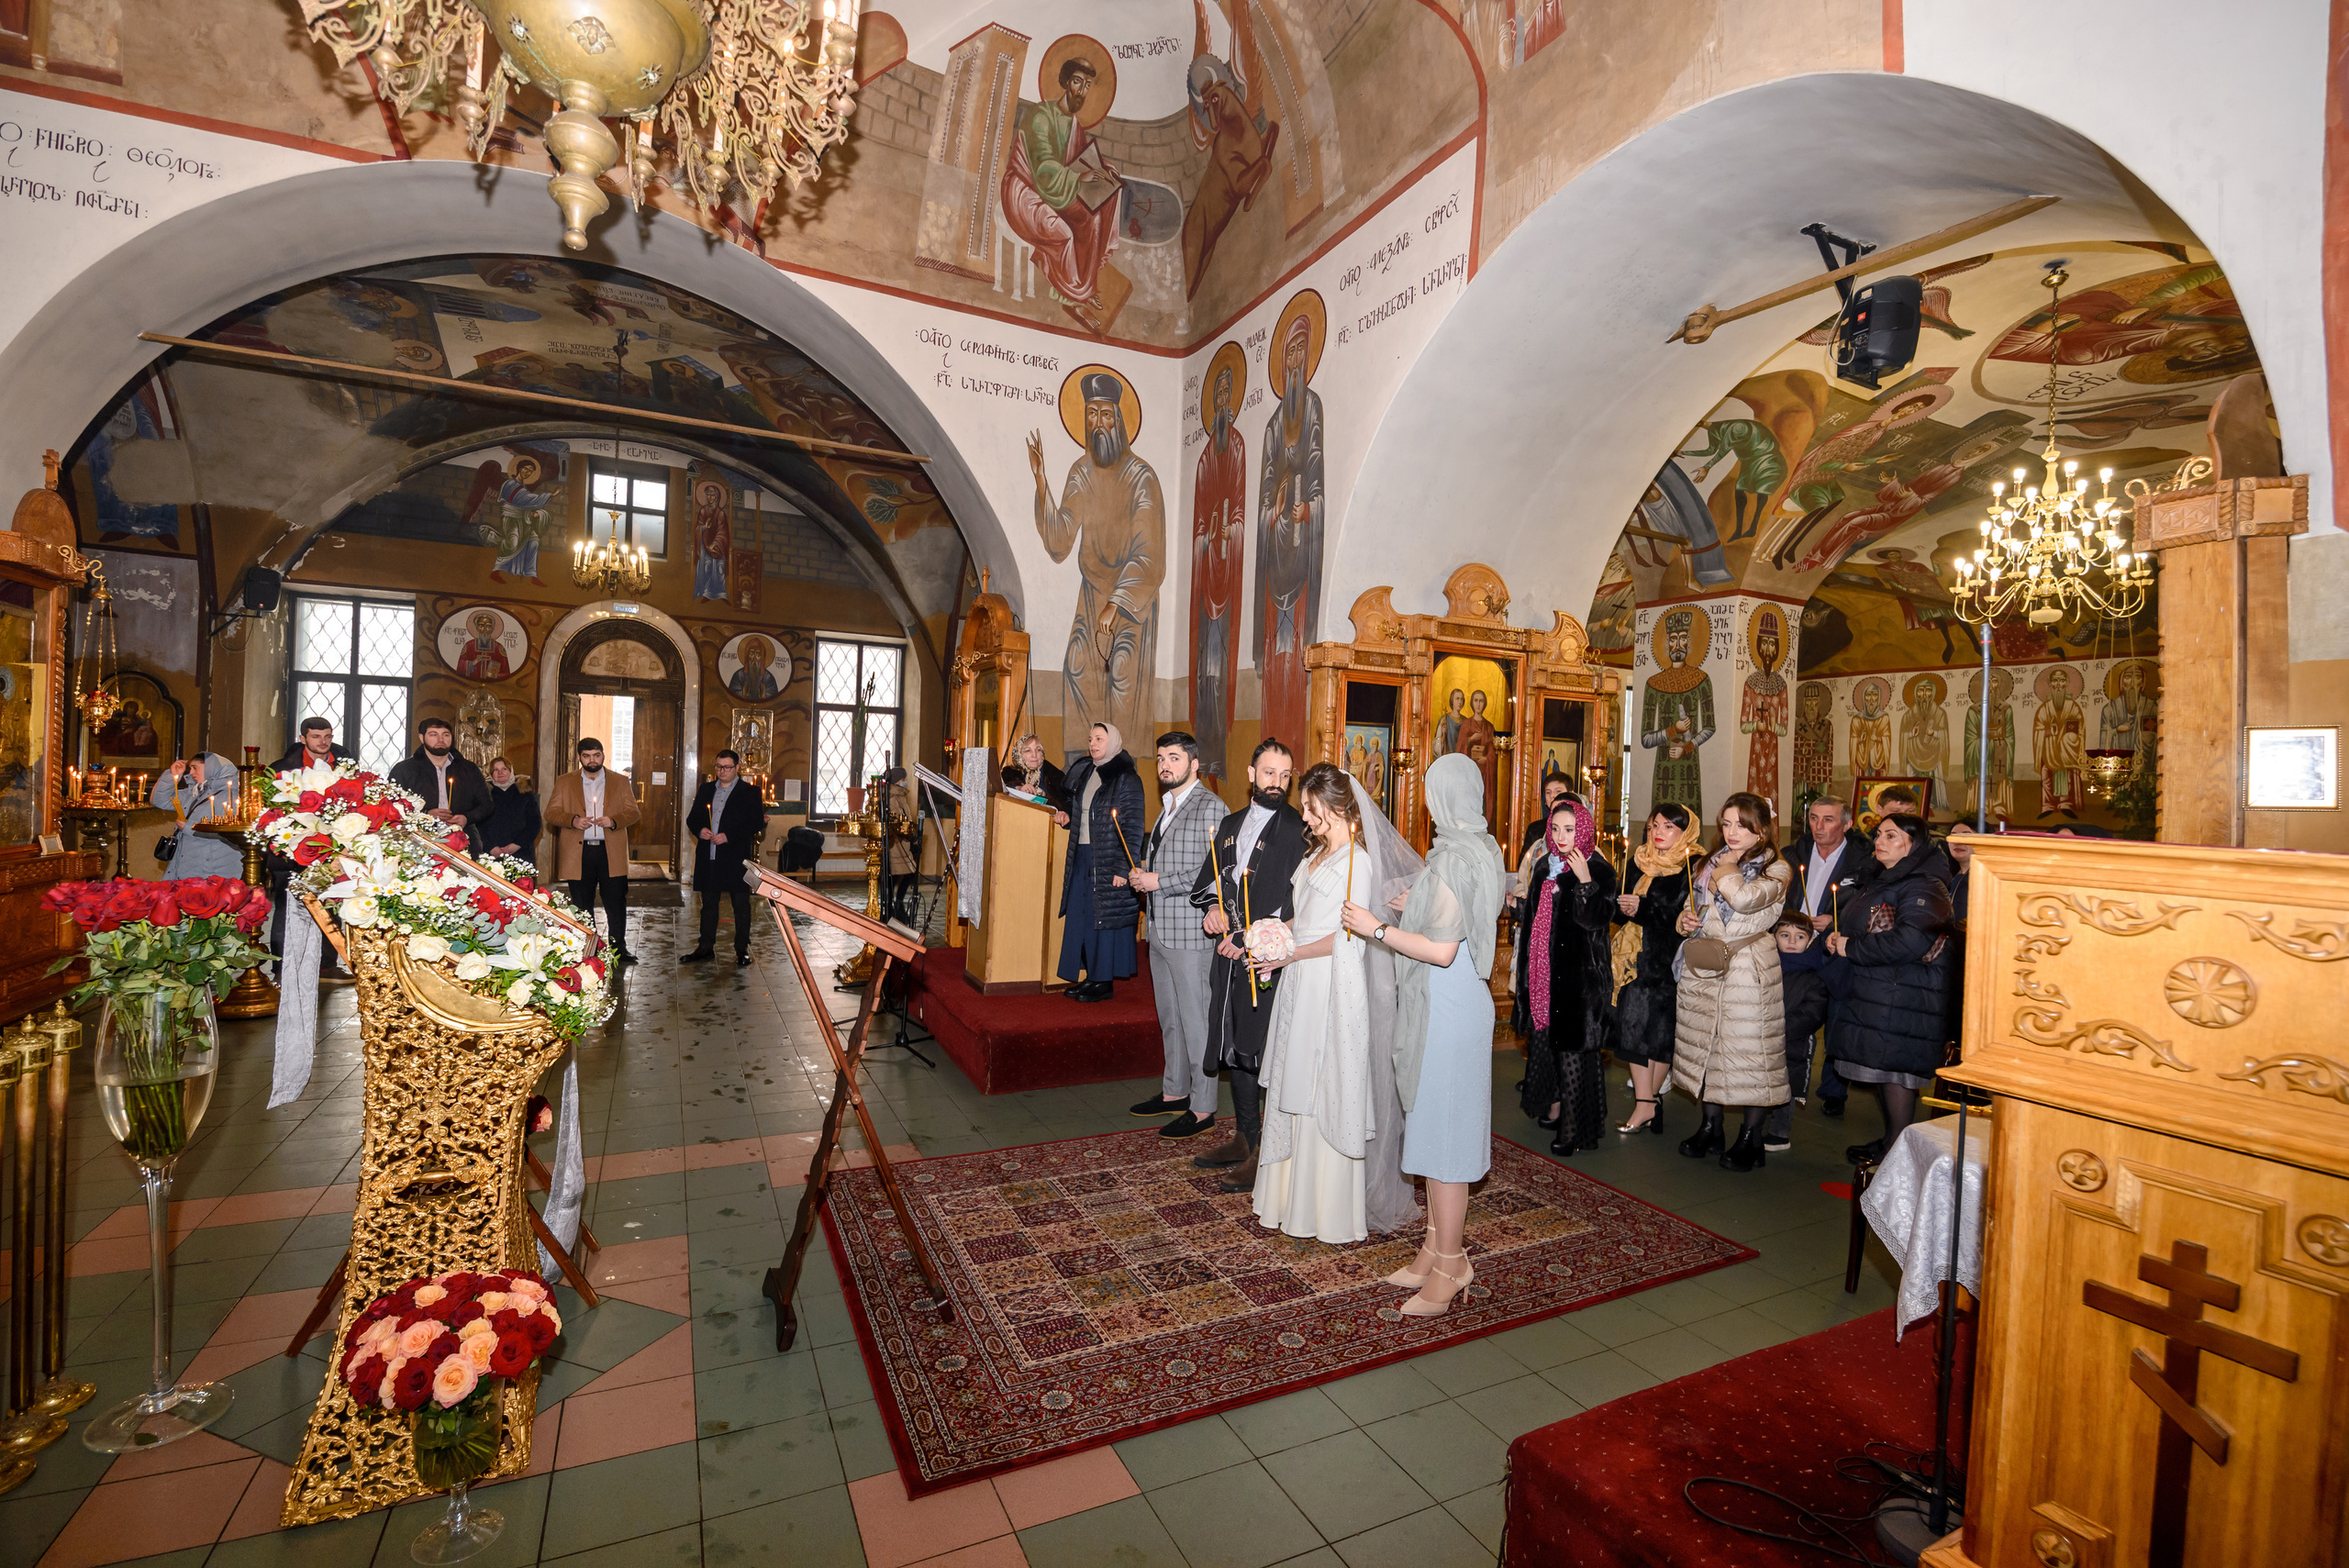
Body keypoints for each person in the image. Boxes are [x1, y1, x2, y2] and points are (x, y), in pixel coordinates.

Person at [1342, 752, 1502, 1317]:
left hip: (1448, 1010)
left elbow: (1442, 949)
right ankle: (1433, 1248)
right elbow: (1460, 914)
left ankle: (1453, 1264)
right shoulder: (1479, 846)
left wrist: (1378, 929)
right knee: (1434, 1133)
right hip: (1456, 1003)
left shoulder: (1455, 858)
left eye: (1432, 792)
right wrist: (1418, 905)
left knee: (1447, 1144)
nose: (1429, 803)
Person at [1247, 762, 1376, 1243]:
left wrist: (1291, 953)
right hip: (1301, 979)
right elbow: (1303, 918)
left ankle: (1322, 1208)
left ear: (1336, 806)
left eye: (1310, 807)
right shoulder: (1318, 853)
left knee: (1322, 1084)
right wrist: (1272, 935)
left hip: (1330, 984)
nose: (1303, 815)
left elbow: (1349, 936)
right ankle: (1287, 1199)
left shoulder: (1357, 863)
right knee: (1294, 1078)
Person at [1188, 740, 1308, 1192]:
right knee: (1235, 1044)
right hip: (1228, 957)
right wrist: (1212, 912)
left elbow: (1296, 904)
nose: (1277, 782)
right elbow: (1211, 883)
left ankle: (1266, 1151)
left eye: (1285, 775)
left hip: (1268, 960)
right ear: (1251, 774)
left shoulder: (1298, 830)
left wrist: (1251, 938)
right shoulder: (1229, 825)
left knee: (1262, 1048)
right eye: (1269, 773)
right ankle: (1244, 1136)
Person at [1825, 813, 1958, 1165]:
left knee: (1897, 1074)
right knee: (1887, 1072)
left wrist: (1851, 947)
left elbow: (1910, 941)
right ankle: (1890, 1142)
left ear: (1913, 845)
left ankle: (1899, 1155)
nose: (1879, 841)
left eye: (1891, 836)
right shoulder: (1886, 878)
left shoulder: (1925, 886)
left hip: (1905, 996)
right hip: (1883, 993)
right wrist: (1838, 938)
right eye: (1879, 834)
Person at [1672, 792, 1795, 1173]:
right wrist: (1684, 920)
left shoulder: (1777, 869)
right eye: (1726, 823)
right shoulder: (1710, 863)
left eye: (1741, 824)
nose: (1731, 831)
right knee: (1708, 1047)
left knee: (1750, 1052)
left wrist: (1725, 870)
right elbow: (1694, 905)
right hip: (1707, 965)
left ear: (1761, 830)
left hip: (1748, 968)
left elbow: (1743, 899)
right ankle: (1711, 1127)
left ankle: (1751, 1138)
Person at [1123, 731, 1225, 1139]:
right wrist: (1141, 875)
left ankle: (1203, 1108)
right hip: (1161, 930)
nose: (1166, 765)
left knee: (1196, 1022)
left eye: (1175, 758)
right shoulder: (1167, 805)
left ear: (1194, 764)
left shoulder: (1210, 806)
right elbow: (1167, 861)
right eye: (1162, 758)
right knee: (1170, 1018)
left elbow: (1214, 869)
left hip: (1192, 933)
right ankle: (1175, 1092)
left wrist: (1158, 881)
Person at [1513, 795, 1620, 1156]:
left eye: (1570, 829)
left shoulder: (1599, 869)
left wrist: (1585, 881)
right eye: (1556, 829)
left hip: (1580, 979)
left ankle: (1573, 1131)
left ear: (1584, 830)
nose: (1561, 837)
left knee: (1574, 1052)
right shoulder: (1545, 865)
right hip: (1544, 972)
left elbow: (1596, 921)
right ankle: (1556, 1108)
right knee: (1550, 1047)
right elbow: (1534, 918)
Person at [1609, 803, 1698, 1134]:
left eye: (1668, 827)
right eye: (1654, 826)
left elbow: (1684, 918)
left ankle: (1648, 1102)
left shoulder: (1692, 865)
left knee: (1661, 1035)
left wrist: (1643, 908)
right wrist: (1621, 907)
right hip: (1634, 961)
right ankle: (1647, 1102)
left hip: (1667, 961)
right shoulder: (1639, 860)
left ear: (1684, 832)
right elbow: (1621, 908)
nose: (1659, 833)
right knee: (1632, 1030)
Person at [1783, 795, 1871, 1118]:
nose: (1819, 826)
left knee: (1836, 1019)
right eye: (1814, 818)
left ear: (1846, 824)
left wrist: (1836, 921)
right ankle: (1784, 1089)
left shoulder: (1863, 861)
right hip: (1795, 947)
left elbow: (1868, 908)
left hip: (1834, 948)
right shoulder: (1793, 854)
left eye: (1828, 819)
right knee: (1793, 1015)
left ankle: (1833, 1090)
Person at [1054, 722, 1145, 1001]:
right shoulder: (1086, 771)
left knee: (1103, 920)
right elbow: (1078, 805)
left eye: (1099, 739)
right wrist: (1067, 813)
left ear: (1114, 742)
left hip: (1109, 859)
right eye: (1091, 739)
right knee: (1082, 917)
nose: (1093, 744)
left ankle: (1103, 982)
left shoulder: (1126, 778)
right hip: (1082, 855)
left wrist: (1123, 867)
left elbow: (1133, 826)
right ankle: (1091, 976)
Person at [547, 738, 641, 964]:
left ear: (603, 756)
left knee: (615, 901)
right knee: (582, 903)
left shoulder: (620, 781)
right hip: (580, 852)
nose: (592, 760)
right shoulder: (565, 781)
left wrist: (614, 820)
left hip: (610, 851)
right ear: (580, 757)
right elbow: (551, 813)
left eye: (596, 755)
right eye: (587, 756)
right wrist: (573, 820)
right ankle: (588, 947)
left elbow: (634, 813)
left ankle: (618, 948)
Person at [266, 717, 355, 958]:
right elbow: (271, 808)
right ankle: (281, 965)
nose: (323, 742)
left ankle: (328, 964)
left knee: (331, 906)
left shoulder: (345, 766)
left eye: (328, 736)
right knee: (288, 908)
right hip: (293, 849)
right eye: (316, 737)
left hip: (333, 848)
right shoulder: (282, 768)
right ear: (303, 738)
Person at [682, 749, 766, 965]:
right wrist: (700, 830)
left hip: (736, 858)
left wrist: (728, 836)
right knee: (709, 904)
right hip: (709, 857)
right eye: (719, 767)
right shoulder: (706, 789)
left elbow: (756, 822)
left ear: (737, 767)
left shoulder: (750, 792)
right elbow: (692, 819)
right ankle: (705, 947)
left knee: (741, 905)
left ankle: (741, 949)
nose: (722, 771)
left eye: (727, 767)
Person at [1764, 915, 1832, 1153]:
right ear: (1774, 937)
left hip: (1795, 1041)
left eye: (1800, 937)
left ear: (1810, 940)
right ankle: (1755, 1123)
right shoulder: (1765, 966)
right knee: (1759, 1081)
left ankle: (1779, 1131)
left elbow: (1813, 1012)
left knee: (1787, 1085)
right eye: (1785, 935)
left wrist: (1778, 1028)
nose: (1792, 942)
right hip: (1760, 1037)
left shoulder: (1816, 973)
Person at [389, 719, 492, 851]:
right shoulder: (404, 769)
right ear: (422, 738)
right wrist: (425, 815)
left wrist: (467, 818)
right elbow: (392, 807)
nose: (441, 739)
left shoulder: (469, 768)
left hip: (464, 841)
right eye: (433, 734)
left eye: (446, 734)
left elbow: (487, 805)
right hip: (418, 842)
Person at [150, 753, 246, 879]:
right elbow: (160, 801)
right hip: (188, 865)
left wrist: (190, 828)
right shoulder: (195, 792)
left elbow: (233, 834)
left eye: (195, 768)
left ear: (211, 768)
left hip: (214, 868)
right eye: (190, 768)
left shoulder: (231, 796)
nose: (191, 773)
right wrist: (172, 776)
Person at [476, 757, 541, 861]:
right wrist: (490, 846)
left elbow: (535, 822)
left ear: (511, 771)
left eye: (504, 769)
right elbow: (478, 823)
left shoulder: (524, 793)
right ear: (491, 774)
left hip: (521, 853)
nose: (500, 773)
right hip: (492, 854)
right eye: (496, 770)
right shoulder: (484, 793)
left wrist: (517, 844)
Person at [1000, 733, 1067, 813]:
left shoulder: (1056, 776)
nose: (1034, 755)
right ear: (1018, 755)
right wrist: (1019, 788)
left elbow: (1064, 807)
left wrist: (1044, 795)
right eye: (1028, 751)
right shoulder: (1009, 774)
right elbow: (1002, 794)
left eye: (1038, 750)